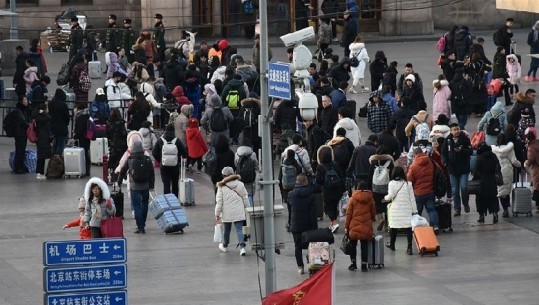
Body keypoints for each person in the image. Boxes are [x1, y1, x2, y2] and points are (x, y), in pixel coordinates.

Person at [119, 140, 155, 234]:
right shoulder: (147, 159)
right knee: (145, 204)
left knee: (137, 206)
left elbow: (123, 170)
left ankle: (140, 226)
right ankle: (143, 224)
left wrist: (119, 182)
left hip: (134, 187)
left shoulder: (130, 159)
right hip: (145, 186)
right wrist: (151, 185)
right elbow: (152, 173)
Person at [215, 167, 249, 256]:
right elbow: (245, 198)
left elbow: (219, 202)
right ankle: (242, 248)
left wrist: (217, 214)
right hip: (239, 210)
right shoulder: (240, 184)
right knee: (239, 229)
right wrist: (248, 209)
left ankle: (225, 245)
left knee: (226, 229)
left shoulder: (221, 186)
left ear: (224, 175)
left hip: (227, 212)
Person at [288, 173, 317, 274]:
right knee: (310, 245)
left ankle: (300, 267)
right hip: (308, 225)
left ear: (296, 181)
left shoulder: (291, 194)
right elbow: (313, 214)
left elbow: (290, 211)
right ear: (306, 182)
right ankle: (310, 264)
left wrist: (290, 223)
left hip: (295, 224)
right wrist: (315, 228)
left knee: (297, 246)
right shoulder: (311, 195)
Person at [441, 123, 473, 216]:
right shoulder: (447, 140)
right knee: (454, 190)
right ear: (451, 131)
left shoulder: (465, 139)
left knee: (464, 187)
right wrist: (444, 161)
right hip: (452, 169)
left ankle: (465, 203)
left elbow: (470, 151)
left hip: (463, 168)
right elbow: (443, 152)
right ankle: (457, 208)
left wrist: (462, 150)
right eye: (454, 130)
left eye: (457, 129)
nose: (456, 131)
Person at [384, 166, 417, 255]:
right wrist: (415, 211)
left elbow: (390, 196)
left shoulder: (391, 183)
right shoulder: (408, 184)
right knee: (408, 228)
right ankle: (409, 248)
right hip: (407, 209)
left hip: (396, 209)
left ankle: (392, 244)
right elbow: (412, 198)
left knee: (394, 227)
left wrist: (385, 198)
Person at [344, 180, 375, 271]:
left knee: (353, 245)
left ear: (357, 188)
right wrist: (372, 219)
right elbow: (373, 212)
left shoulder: (352, 199)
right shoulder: (370, 198)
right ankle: (364, 265)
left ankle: (353, 263)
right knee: (364, 245)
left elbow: (348, 214)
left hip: (354, 225)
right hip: (366, 225)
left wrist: (346, 226)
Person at [407, 148, 439, 233]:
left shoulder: (413, 166)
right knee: (431, 210)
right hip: (430, 191)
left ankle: (418, 228)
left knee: (417, 212)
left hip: (418, 193)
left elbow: (409, 180)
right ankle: (435, 226)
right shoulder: (431, 162)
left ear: (415, 155)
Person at [316, 145, 346, 233]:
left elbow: (319, 180)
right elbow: (341, 177)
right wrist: (344, 189)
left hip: (327, 190)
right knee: (335, 205)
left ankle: (334, 222)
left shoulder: (320, 167)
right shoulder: (335, 164)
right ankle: (333, 223)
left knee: (329, 207)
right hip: (338, 189)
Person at [152, 124, 188, 198]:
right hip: (175, 166)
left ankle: (168, 201)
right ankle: (175, 200)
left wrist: (161, 160)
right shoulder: (177, 140)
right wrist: (178, 158)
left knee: (166, 184)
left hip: (164, 166)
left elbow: (154, 152)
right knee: (175, 184)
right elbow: (184, 153)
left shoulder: (160, 140)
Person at [492, 134, 521, 218]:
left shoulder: (494, 149)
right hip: (507, 170)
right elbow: (514, 160)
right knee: (507, 190)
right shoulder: (509, 149)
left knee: (500, 190)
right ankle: (506, 208)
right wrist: (520, 165)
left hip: (498, 170)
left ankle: (504, 208)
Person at [472, 142, 501, 223]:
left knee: (480, 199)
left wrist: (475, 177)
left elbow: (475, 171)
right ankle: (495, 214)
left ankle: (481, 216)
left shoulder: (479, 158)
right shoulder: (494, 156)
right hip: (492, 181)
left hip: (482, 182)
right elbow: (498, 167)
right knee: (493, 198)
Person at [368, 145, 395, 231]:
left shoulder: (373, 162)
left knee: (377, 204)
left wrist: (369, 188)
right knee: (387, 205)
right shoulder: (390, 162)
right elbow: (393, 175)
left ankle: (380, 219)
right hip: (387, 187)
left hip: (376, 187)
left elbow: (370, 175)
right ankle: (387, 224)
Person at [235, 138, 259, 206]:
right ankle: (249, 207)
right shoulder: (252, 154)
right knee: (250, 193)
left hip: (239, 176)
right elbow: (256, 165)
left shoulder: (237, 153)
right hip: (250, 176)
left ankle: (241, 206)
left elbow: (235, 164)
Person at [47, 89, 70, 155]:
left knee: (55, 143)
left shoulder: (50, 103)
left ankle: (53, 157)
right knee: (61, 143)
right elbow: (67, 117)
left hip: (52, 126)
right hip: (62, 127)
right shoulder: (63, 105)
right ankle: (58, 158)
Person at [34, 103, 52, 180]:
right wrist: (44, 113)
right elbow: (49, 118)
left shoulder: (39, 117)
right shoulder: (42, 118)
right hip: (43, 139)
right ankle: (40, 173)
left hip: (41, 139)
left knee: (41, 156)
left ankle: (40, 172)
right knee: (41, 156)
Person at [73, 102, 91, 176]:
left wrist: (75, 136)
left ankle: (82, 169)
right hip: (87, 136)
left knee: (82, 153)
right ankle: (87, 170)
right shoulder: (87, 115)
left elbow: (79, 129)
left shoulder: (79, 117)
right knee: (86, 152)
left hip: (81, 137)